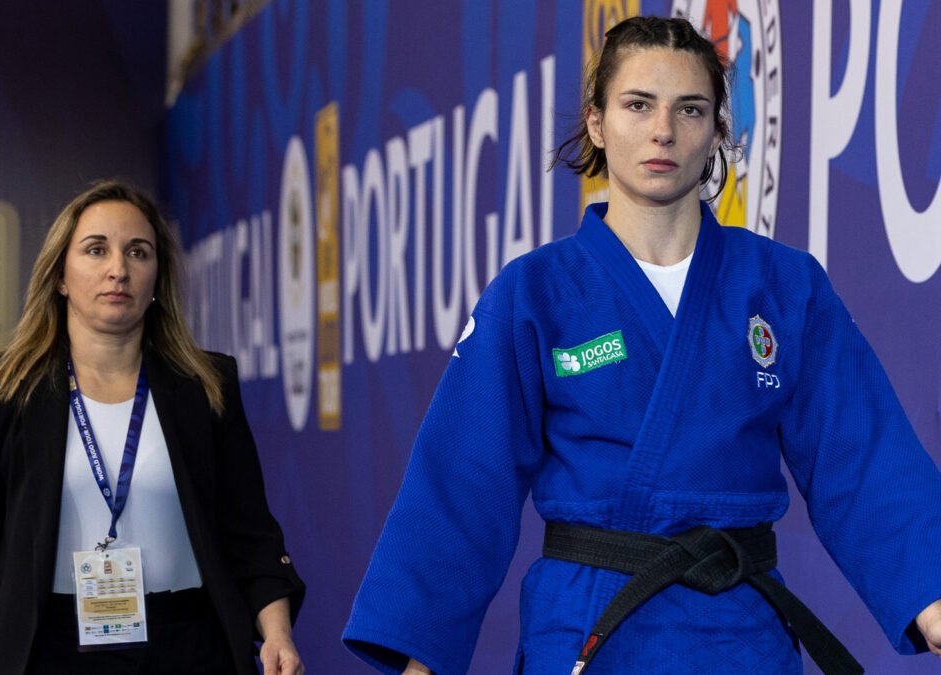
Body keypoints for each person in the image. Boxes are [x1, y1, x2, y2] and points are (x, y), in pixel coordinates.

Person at [343, 16, 941, 675]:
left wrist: (931, 594)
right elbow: (462, 479)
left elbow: (859, 455)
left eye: (690, 109)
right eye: (638, 105)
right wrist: (419, 655)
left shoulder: (783, 285)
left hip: (737, 635)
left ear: (718, 128)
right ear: (598, 121)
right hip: (592, 630)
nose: (663, 131)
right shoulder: (535, 292)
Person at [0, 181, 305, 675]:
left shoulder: (206, 387)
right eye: (97, 250)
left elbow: (251, 536)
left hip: (191, 647)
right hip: (46, 651)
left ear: (157, 279)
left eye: (138, 252)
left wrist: (277, 636)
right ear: (61, 276)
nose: (119, 269)